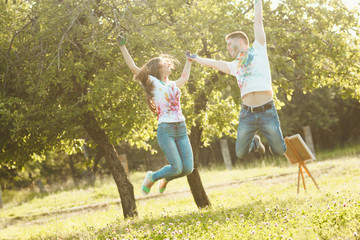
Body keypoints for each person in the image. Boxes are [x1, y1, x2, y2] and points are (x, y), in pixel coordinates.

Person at [187, 0, 286, 159]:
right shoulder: (234, 66)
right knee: (240, 153)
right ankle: (255, 142)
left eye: (228, 44)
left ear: (240, 42)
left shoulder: (259, 49)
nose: (227, 48)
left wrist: (257, 2)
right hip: (247, 113)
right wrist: (196, 58)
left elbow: (258, 22)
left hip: (267, 111)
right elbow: (216, 64)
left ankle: (262, 141)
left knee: (279, 150)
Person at [118, 34, 194, 195]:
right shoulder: (152, 81)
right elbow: (133, 67)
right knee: (176, 167)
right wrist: (122, 47)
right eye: (164, 63)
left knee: (187, 168)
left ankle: (165, 178)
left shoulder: (173, 85)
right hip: (166, 129)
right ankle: (152, 177)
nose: (168, 64)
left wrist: (189, 61)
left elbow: (185, 77)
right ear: (158, 69)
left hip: (181, 128)